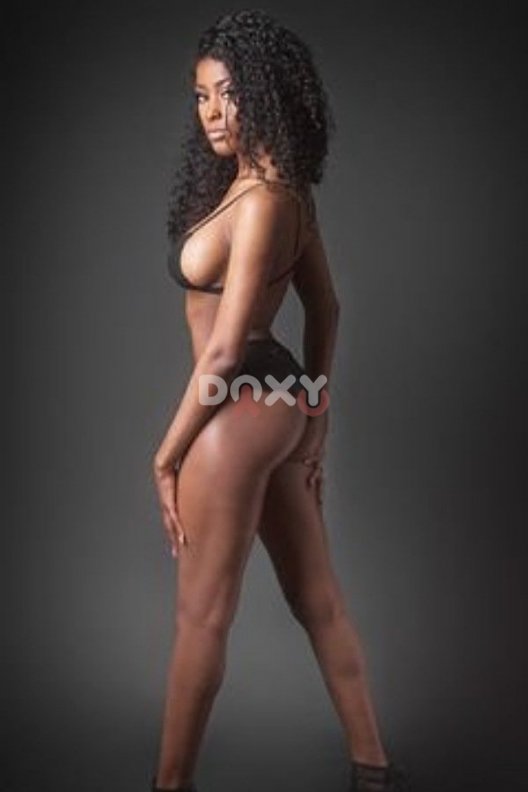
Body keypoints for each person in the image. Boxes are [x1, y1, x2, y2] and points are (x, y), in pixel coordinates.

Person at [151, 10, 409, 792]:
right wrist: (315, 420)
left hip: (236, 409)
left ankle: (169, 786)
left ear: (265, 93)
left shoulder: (262, 200)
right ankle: (373, 769)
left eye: (229, 93)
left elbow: (225, 353)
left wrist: (165, 457)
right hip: (281, 402)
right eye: (201, 96)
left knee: (202, 617)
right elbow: (325, 307)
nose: (213, 112)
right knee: (316, 598)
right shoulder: (285, 194)